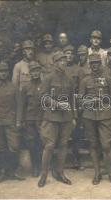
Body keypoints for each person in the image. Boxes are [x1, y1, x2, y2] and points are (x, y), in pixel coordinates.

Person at [79, 54, 111, 185]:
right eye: (92, 63)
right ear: (89, 65)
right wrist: (90, 101)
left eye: (96, 63)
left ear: (100, 64)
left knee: (107, 145)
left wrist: (104, 101)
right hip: (89, 116)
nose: (94, 65)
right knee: (93, 145)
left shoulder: (107, 78)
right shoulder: (85, 80)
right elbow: (80, 99)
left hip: (105, 115)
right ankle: (97, 173)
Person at [38, 51, 75, 187]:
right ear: (55, 63)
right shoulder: (48, 78)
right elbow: (43, 97)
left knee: (63, 145)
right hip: (51, 117)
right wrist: (57, 104)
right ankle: (44, 175)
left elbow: (72, 100)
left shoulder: (69, 78)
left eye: (65, 60)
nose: (64, 62)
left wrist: (73, 117)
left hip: (66, 118)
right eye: (60, 60)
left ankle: (60, 173)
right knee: (49, 146)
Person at [0, 62, 25, 183]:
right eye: (1, 71)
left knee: (14, 147)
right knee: (1, 148)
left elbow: (19, 105)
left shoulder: (14, 87)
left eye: (5, 71)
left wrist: (18, 120)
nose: (3, 73)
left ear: (8, 73)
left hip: (11, 121)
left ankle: (13, 172)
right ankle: (4, 172)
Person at [17, 61, 43, 177]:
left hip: (42, 119)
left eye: (37, 70)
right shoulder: (25, 87)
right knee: (32, 143)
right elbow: (21, 105)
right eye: (33, 71)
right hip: (30, 119)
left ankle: (44, 165)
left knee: (43, 142)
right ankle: (35, 167)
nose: (35, 73)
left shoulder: (45, 85)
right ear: (30, 73)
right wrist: (20, 120)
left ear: (40, 71)